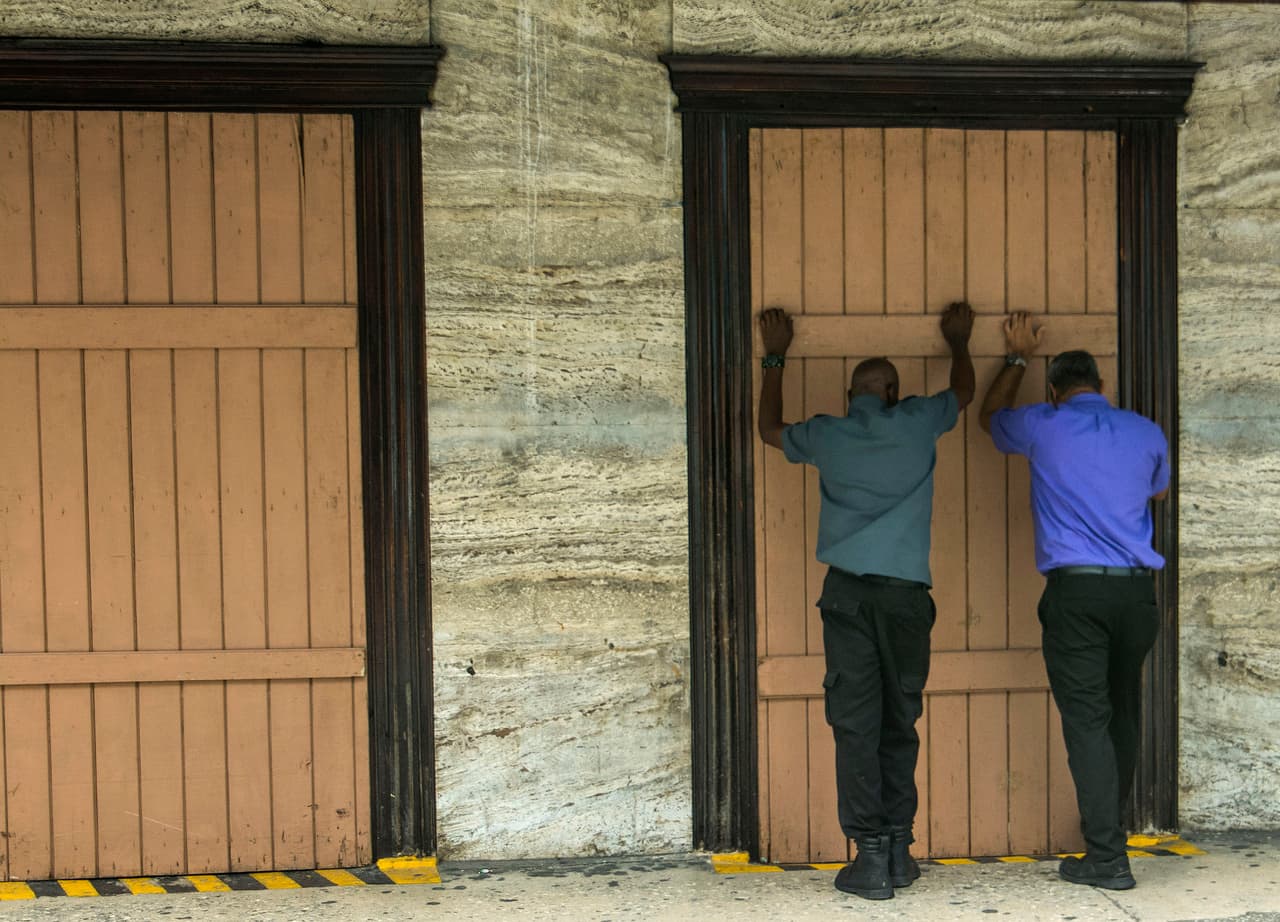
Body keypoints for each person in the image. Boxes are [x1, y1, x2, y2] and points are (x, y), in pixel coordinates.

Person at [756, 302, 974, 900]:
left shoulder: (828, 433)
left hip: (850, 596)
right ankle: (900, 849)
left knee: (856, 724)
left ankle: (870, 857)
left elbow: (768, 429)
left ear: (850, 393)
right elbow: (965, 389)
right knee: (900, 720)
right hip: (907, 599)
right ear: (895, 391)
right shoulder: (919, 420)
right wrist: (959, 339)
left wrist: (775, 357)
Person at [978, 312, 1169, 891]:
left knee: (1088, 722)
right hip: (1137, 593)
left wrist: (1016, 359)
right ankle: (1113, 841)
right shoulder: (1147, 431)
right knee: (1123, 713)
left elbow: (989, 420)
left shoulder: (1043, 423)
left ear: (1056, 390)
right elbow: (1156, 489)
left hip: (1078, 591)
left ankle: (1108, 859)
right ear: (1102, 388)